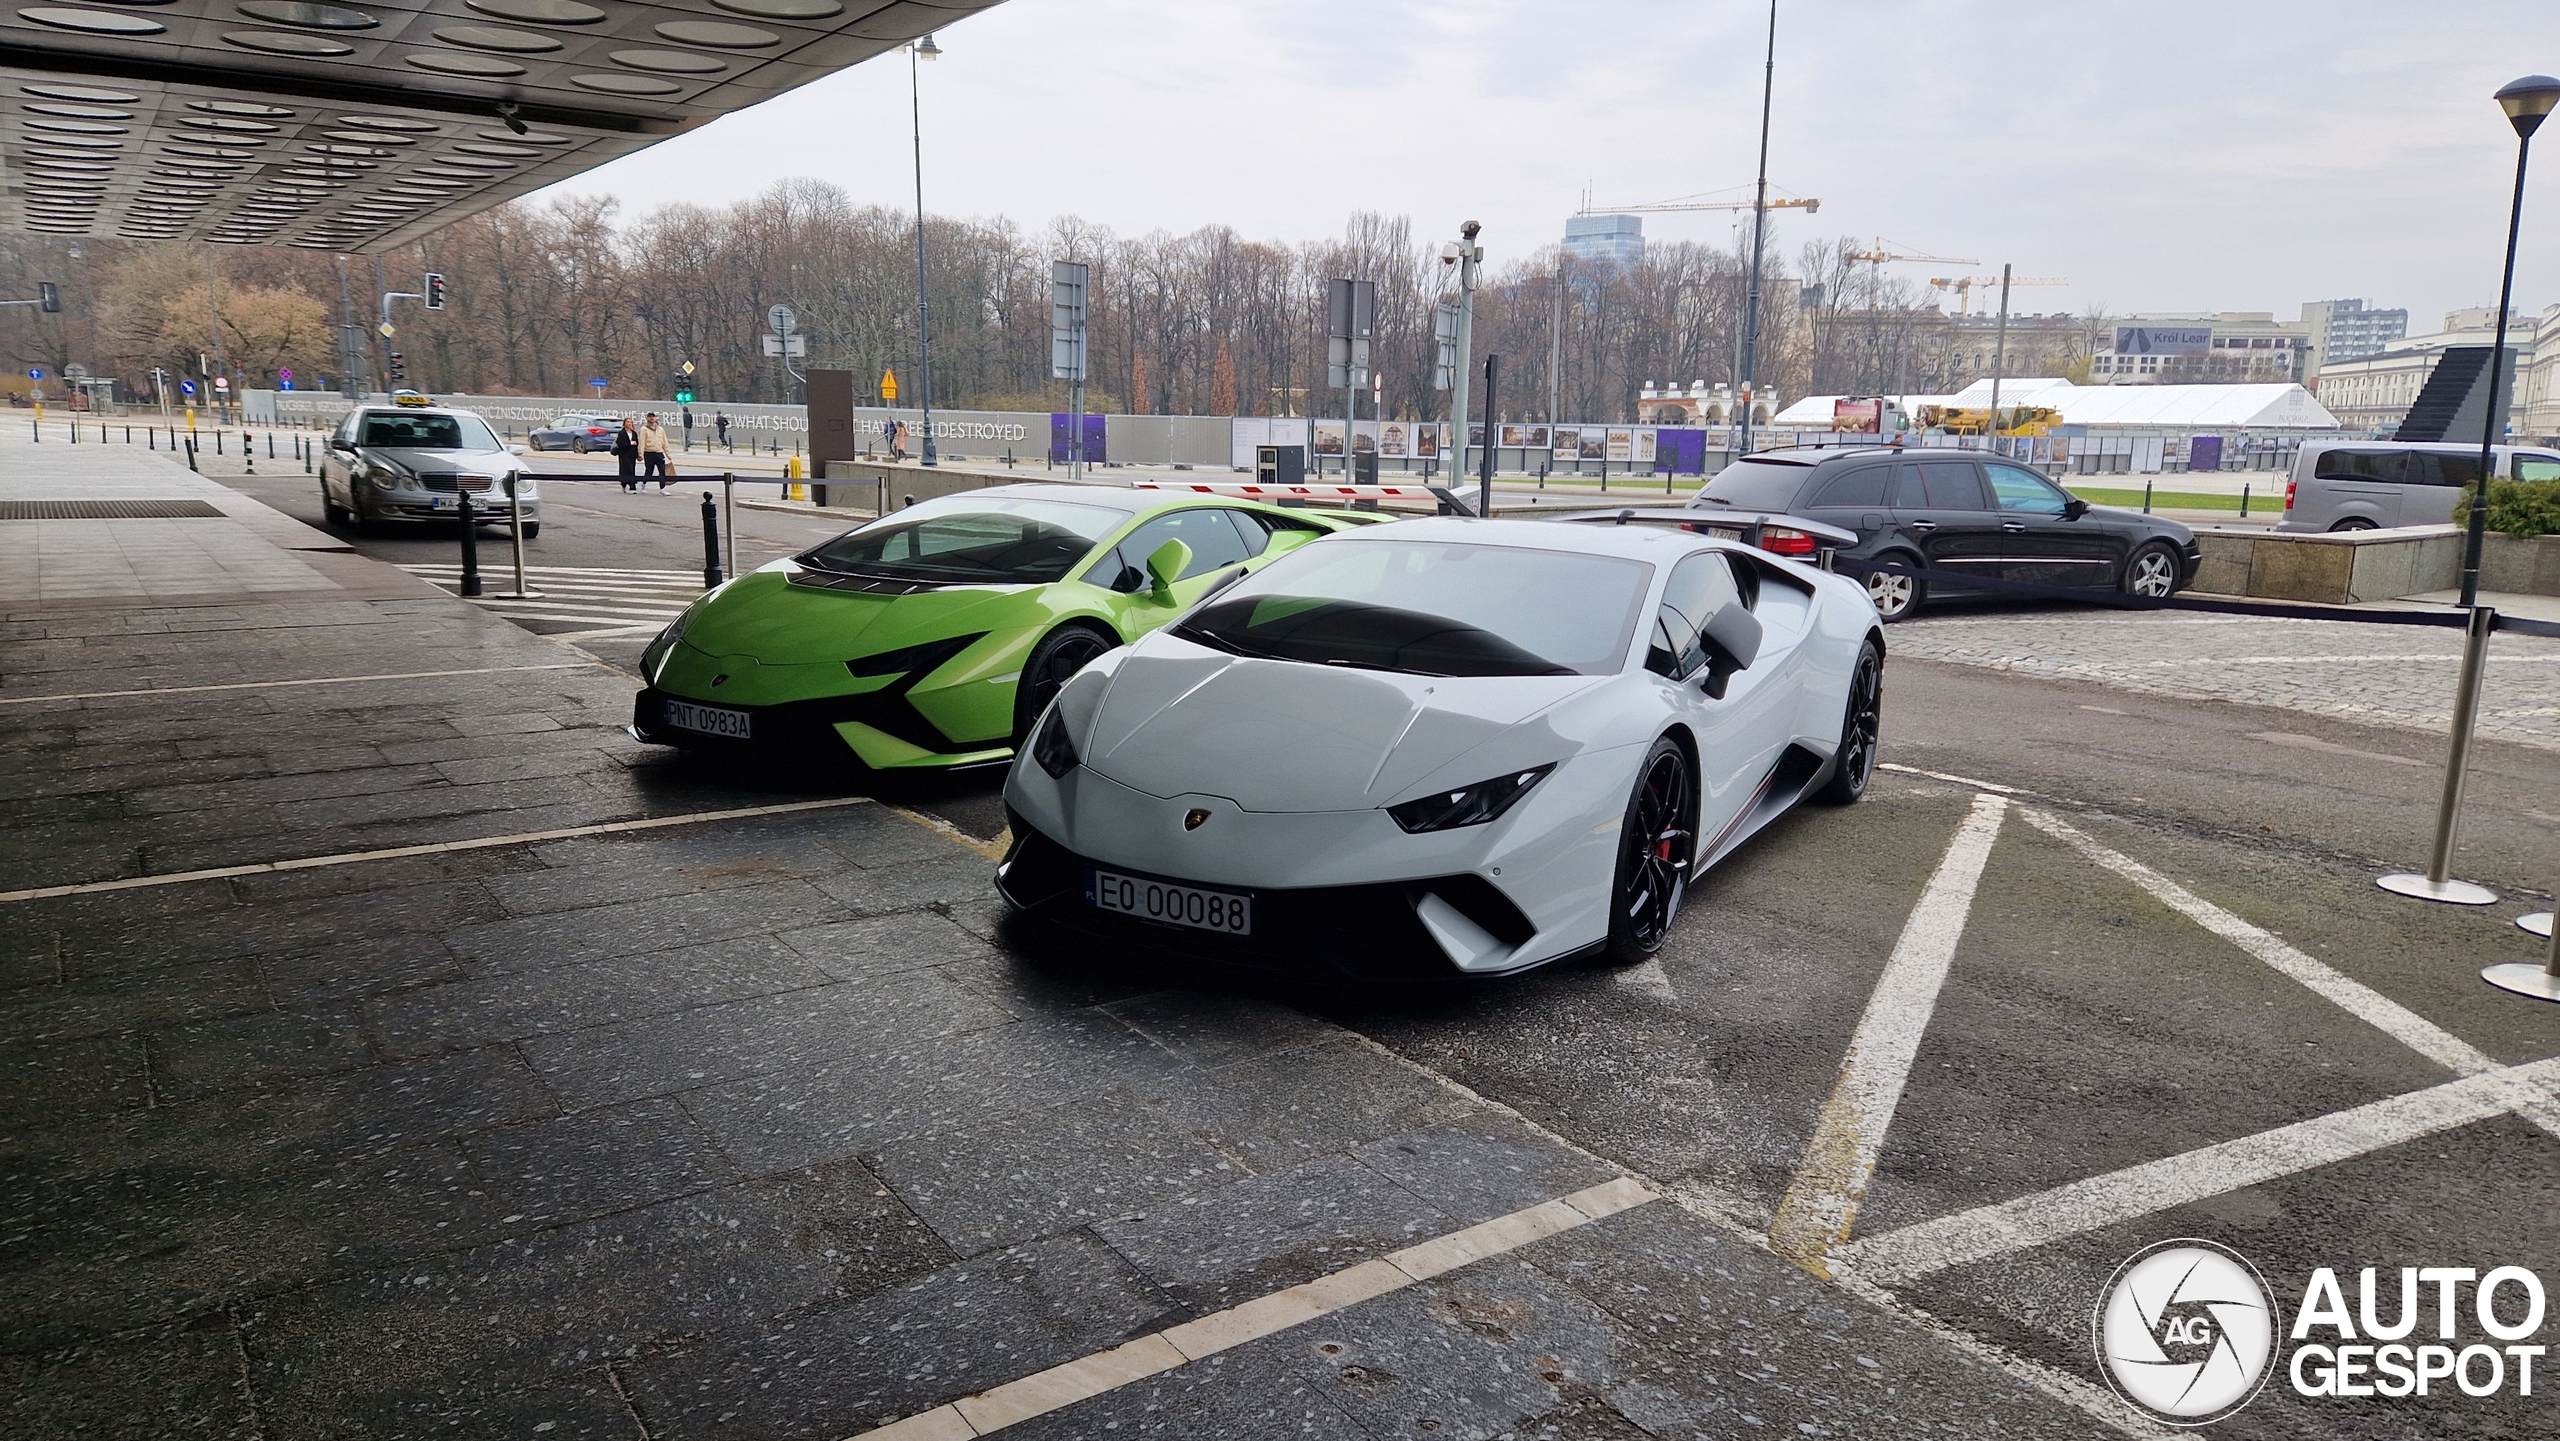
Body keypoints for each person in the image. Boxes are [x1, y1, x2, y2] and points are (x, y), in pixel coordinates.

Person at [640, 412, 672, 488]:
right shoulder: (644, 429)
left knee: (662, 471)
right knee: (649, 471)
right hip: (649, 452)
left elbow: (665, 442)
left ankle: (662, 488)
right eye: (650, 417)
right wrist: (640, 454)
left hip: (659, 452)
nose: (652, 418)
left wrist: (668, 454)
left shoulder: (660, 429)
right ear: (647, 418)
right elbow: (642, 442)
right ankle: (644, 484)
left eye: (653, 417)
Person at [612, 416, 639, 490]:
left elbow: (637, 444)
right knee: (625, 469)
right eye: (627, 422)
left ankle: (632, 485)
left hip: (632, 454)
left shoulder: (634, 433)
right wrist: (630, 443)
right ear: (624, 423)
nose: (629, 423)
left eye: (630, 422)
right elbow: (620, 443)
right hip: (624, 454)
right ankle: (624, 483)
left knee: (632, 469)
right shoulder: (621, 433)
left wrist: (638, 454)